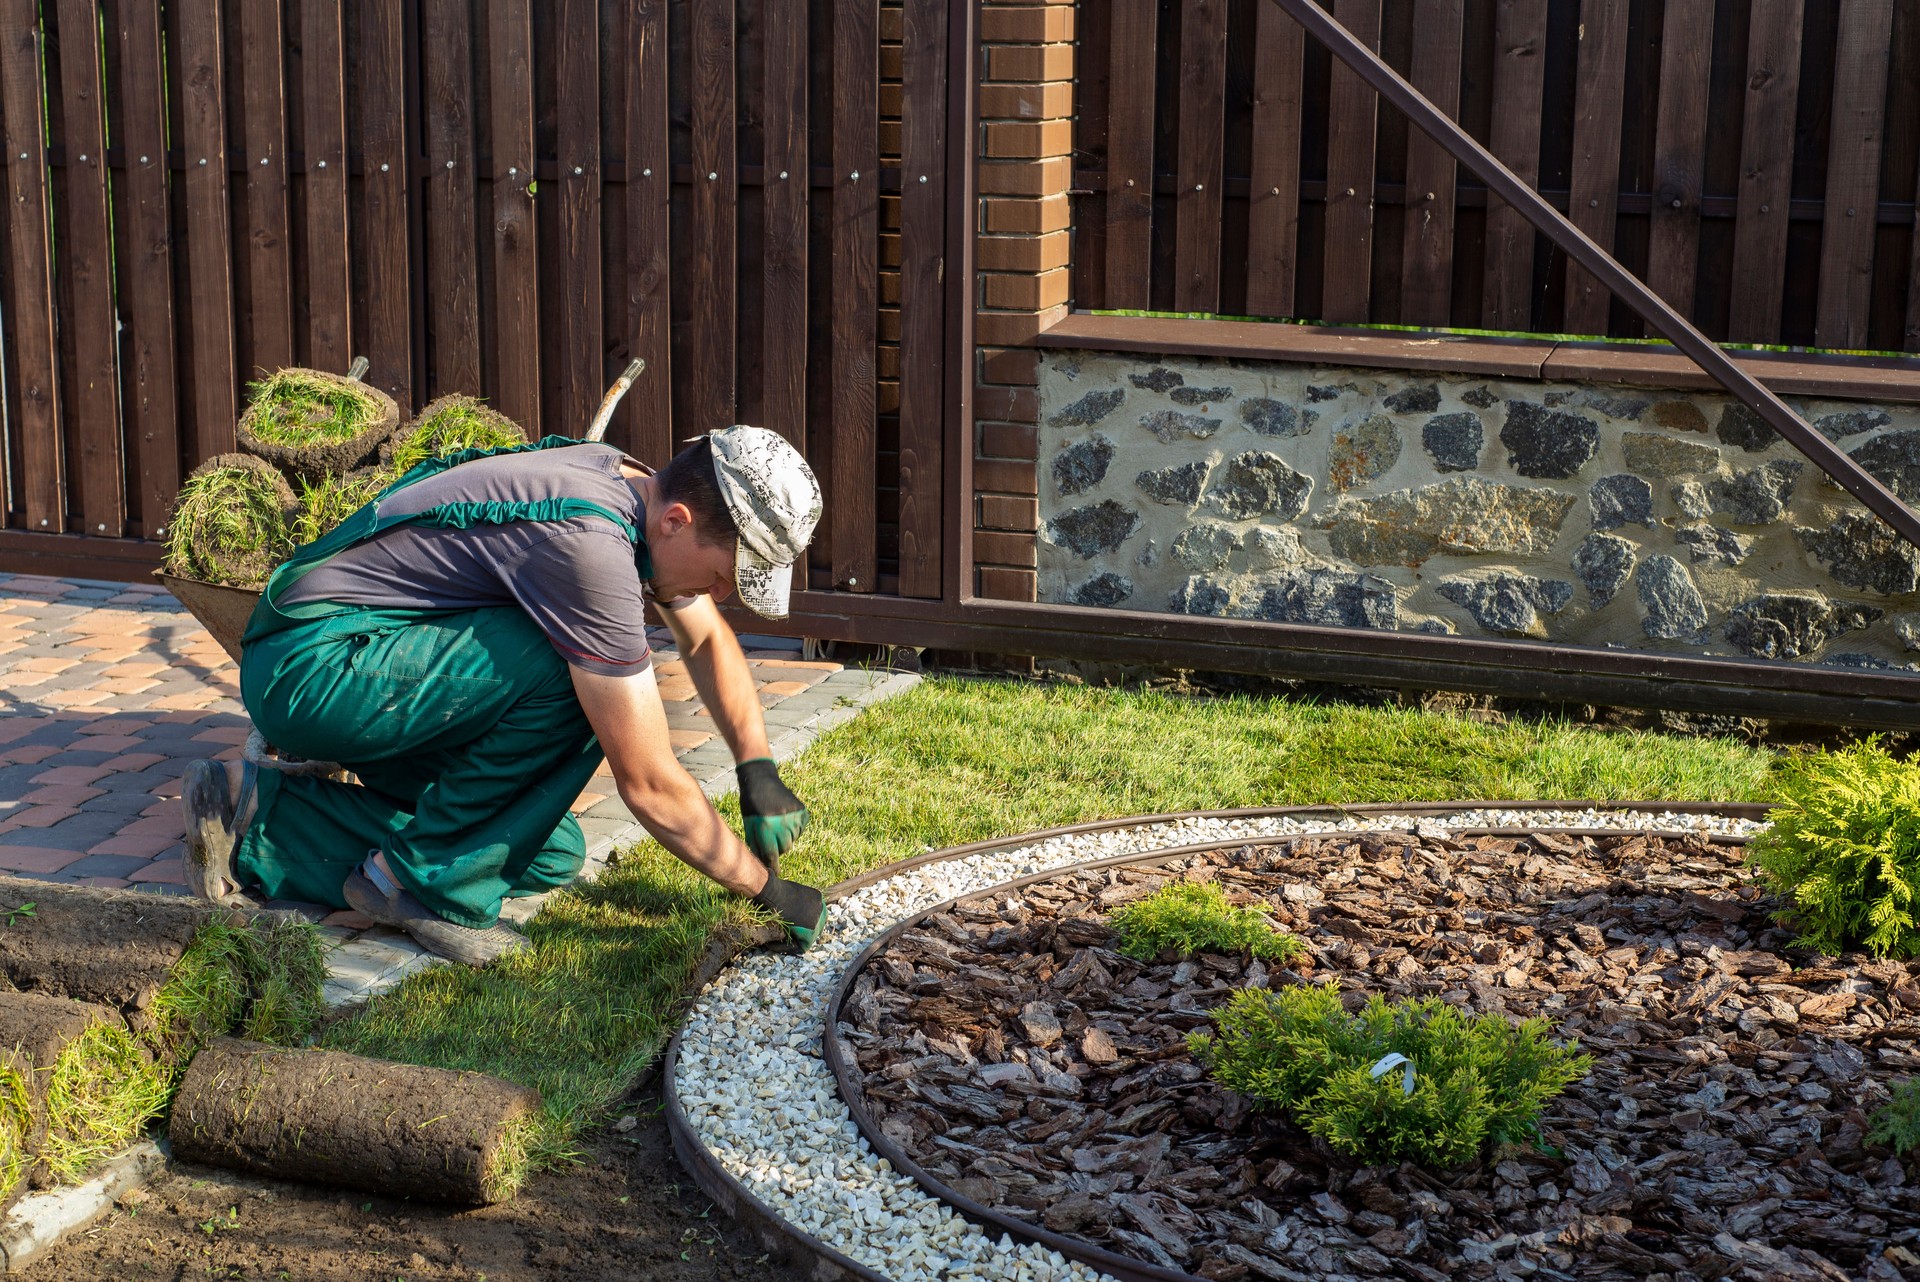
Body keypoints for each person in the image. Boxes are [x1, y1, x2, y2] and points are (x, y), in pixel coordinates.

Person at [177, 425, 828, 966]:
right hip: (314, 666)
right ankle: (419, 887)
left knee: (542, 851)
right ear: (679, 521)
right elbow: (650, 781)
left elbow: (706, 640)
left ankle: (256, 817)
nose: (721, 595)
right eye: (722, 575)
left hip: (366, 660)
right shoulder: (592, 548)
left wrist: (757, 767)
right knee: (580, 674)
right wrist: (767, 891)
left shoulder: (634, 489)